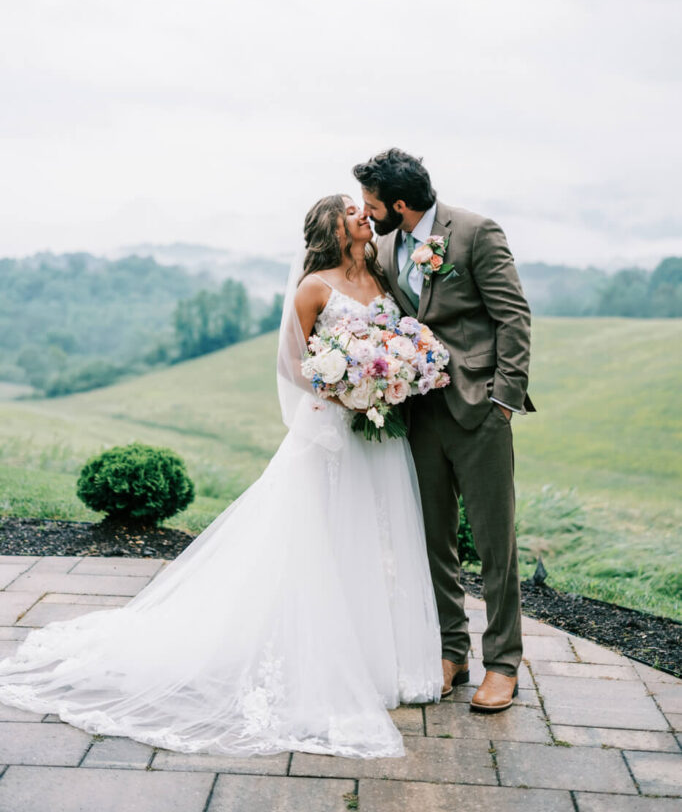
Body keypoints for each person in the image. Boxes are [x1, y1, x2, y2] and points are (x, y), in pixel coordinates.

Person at [0, 194, 442, 758]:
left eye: (363, 211)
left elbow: (392, 340)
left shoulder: (378, 275)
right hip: (332, 431)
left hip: (378, 434)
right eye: (351, 213)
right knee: (319, 543)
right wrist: (343, 391)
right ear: (333, 230)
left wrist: (387, 378)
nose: (363, 216)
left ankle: (383, 661)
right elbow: (292, 363)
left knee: (374, 538)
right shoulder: (314, 286)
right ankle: (314, 658)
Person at [353, 148, 534, 712]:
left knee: (493, 541)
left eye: (372, 203)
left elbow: (513, 317)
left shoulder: (476, 233)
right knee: (433, 539)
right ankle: (450, 651)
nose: (367, 211)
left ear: (399, 204)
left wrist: (502, 400)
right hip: (418, 413)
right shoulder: (382, 246)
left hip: (479, 411)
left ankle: (503, 663)